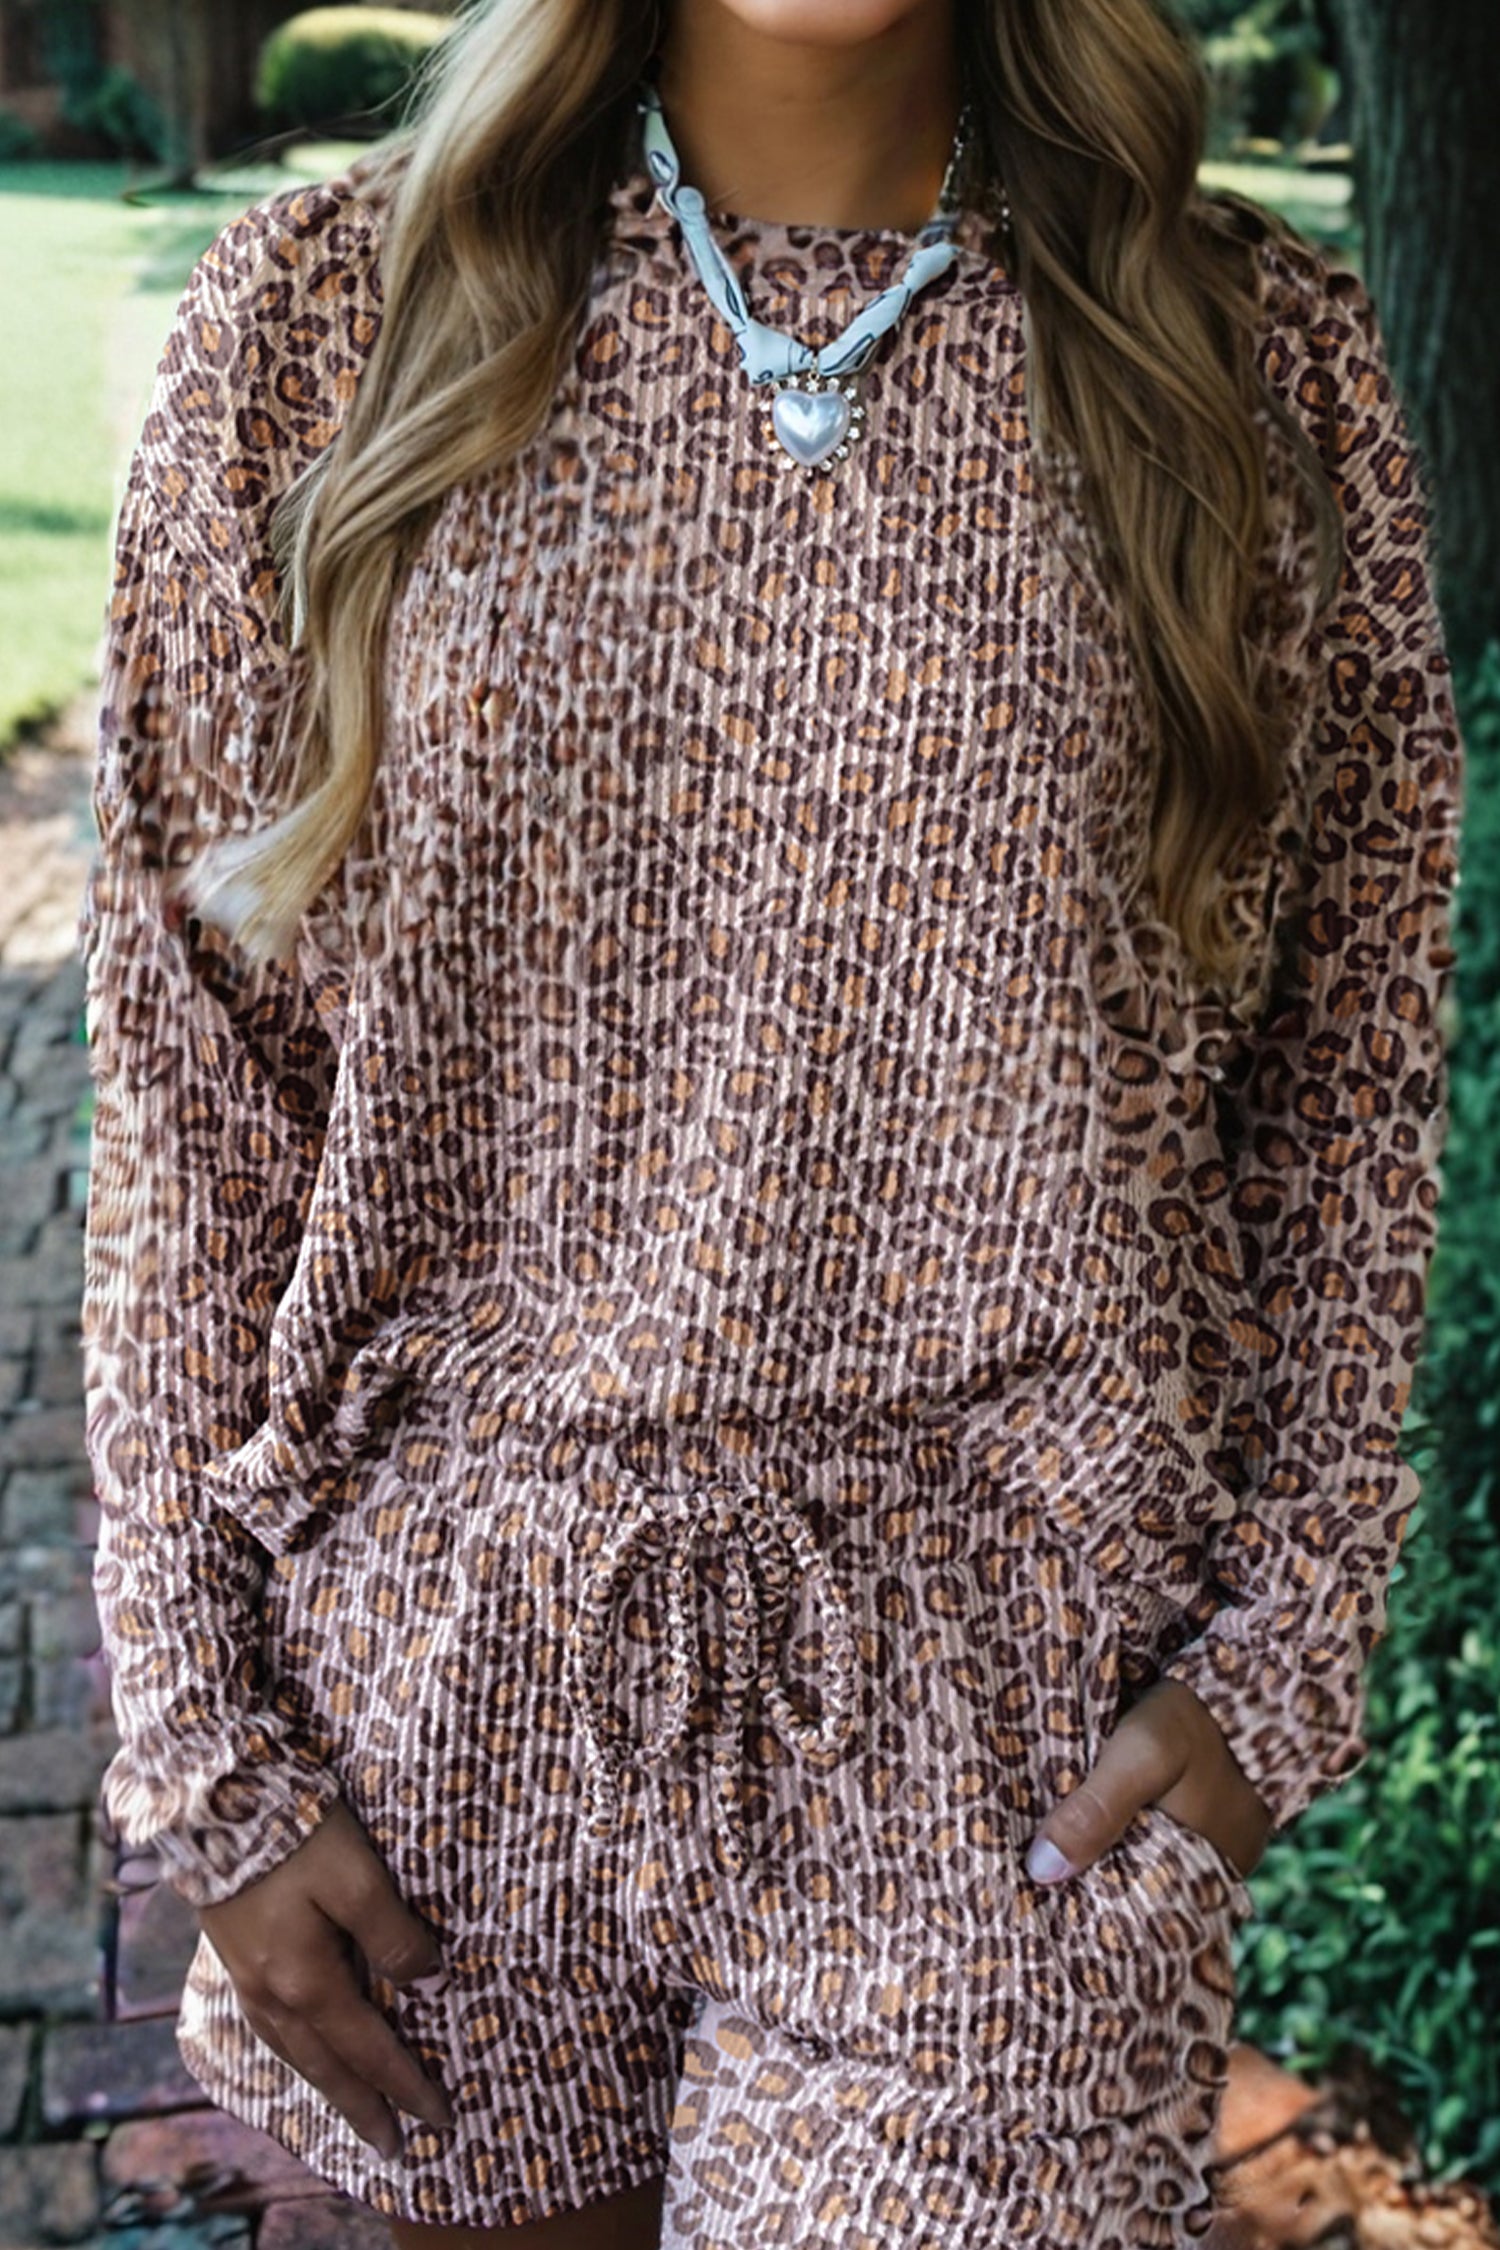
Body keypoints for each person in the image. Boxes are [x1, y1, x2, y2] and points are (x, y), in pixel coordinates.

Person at [77, 0, 1465, 2243]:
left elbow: (1351, 1060)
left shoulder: (1245, 358)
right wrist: (205, 1742)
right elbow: (189, 1079)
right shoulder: (326, 318)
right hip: (453, 1690)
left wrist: (1290, 1631)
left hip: (1007, 1731)